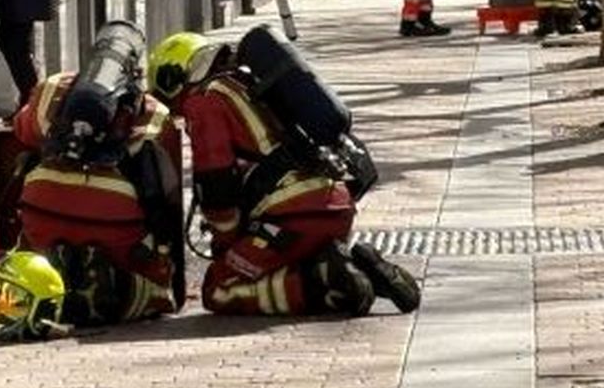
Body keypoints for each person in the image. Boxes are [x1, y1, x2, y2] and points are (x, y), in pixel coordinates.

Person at [147, 31, 420, 318]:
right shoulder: (251, 84)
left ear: (176, 75)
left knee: (219, 288)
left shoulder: (204, 100)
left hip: (289, 217)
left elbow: (216, 181)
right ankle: (359, 267)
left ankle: (327, 284)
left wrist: (226, 242)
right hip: (333, 205)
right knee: (285, 264)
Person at [11, 22, 179, 327]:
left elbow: (23, 130)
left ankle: (50, 271)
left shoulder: (53, 87)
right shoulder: (154, 110)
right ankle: (106, 284)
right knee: (154, 288)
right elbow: (166, 184)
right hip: (114, 221)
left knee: (32, 244)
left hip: (42, 206)